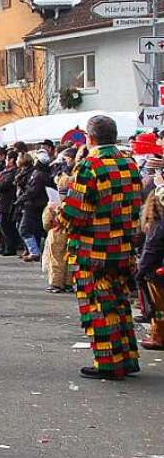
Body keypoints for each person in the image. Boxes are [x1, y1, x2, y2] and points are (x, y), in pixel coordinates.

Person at [60, 115, 142, 380]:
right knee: (119, 302)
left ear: (90, 137)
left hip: (93, 249)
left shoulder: (90, 165)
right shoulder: (129, 162)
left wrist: (57, 214)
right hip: (123, 245)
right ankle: (127, 358)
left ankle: (108, 362)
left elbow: (76, 213)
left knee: (99, 305)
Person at [136, 187, 164, 350]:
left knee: (159, 308)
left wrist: (140, 271)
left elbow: (151, 249)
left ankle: (158, 336)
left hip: (157, 272)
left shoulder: (157, 224)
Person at [19, 151, 51, 263]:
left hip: (32, 205)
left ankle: (34, 251)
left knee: (24, 229)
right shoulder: (40, 173)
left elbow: (32, 191)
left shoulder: (39, 175)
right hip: (35, 205)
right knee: (35, 229)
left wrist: (20, 199)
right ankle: (34, 251)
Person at [0, 150, 19, 256]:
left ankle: (9, 247)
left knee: (4, 224)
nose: (6, 161)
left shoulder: (13, 172)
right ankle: (2, 245)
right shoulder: (6, 171)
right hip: (1, 200)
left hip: (7, 201)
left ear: (11, 160)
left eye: (7, 158)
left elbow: (3, 185)